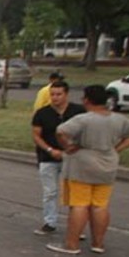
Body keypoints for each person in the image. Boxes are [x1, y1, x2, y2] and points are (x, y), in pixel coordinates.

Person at [48, 85, 129, 255]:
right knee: (100, 206)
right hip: (107, 164)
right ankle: (98, 243)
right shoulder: (119, 119)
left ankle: (72, 244)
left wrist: (67, 146)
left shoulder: (84, 119)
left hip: (82, 163)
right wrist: (116, 149)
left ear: (87, 100)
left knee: (79, 205)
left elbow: (61, 131)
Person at [31, 81, 85, 235]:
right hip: (48, 157)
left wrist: (75, 148)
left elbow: (85, 132)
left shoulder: (78, 111)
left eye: (59, 94)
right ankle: (50, 222)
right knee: (50, 192)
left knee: (74, 193)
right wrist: (49, 150)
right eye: (52, 94)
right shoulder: (42, 113)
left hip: (72, 157)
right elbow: (36, 135)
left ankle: (76, 226)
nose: (55, 97)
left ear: (66, 94)